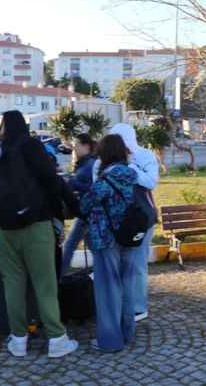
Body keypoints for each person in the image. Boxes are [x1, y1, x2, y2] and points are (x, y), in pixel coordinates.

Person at [0, 110, 78, 359]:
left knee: (12, 283)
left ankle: (18, 339)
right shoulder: (31, 146)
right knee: (45, 283)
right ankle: (56, 339)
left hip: (2, 228)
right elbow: (52, 182)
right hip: (36, 225)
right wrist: (59, 215)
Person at [79, 134, 140, 352]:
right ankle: (128, 333)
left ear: (104, 155)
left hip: (107, 240)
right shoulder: (134, 176)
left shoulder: (104, 182)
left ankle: (110, 341)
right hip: (131, 238)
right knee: (127, 287)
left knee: (108, 291)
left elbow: (85, 206)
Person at [93, 124, 159, 323]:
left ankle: (138, 307)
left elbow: (151, 182)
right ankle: (118, 306)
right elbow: (95, 186)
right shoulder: (100, 162)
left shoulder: (145, 156)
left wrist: (128, 167)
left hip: (139, 220)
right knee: (116, 266)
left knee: (137, 264)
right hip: (112, 222)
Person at [60, 134, 98, 275]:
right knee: (93, 246)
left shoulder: (91, 164)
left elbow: (93, 187)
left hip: (86, 211)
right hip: (84, 210)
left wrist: (72, 182)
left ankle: (60, 276)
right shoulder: (84, 162)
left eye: (77, 144)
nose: (74, 147)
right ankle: (107, 272)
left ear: (86, 146)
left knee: (70, 244)